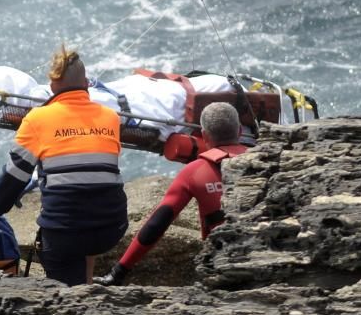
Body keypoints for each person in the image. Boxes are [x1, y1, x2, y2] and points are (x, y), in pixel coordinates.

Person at [0, 45, 128, 286]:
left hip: (66, 233)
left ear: (53, 85)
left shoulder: (38, 118)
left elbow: (14, 176)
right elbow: (92, 173)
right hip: (112, 226)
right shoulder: (110, 117)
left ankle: (73, 298)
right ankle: (87, 283)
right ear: (86, 82)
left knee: (63, 258)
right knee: (87, 210)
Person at [95, 101, 247, 286]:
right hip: (268, 254)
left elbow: (157, 223)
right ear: (239, 131)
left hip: (222, 264)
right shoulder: (267, 162)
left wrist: (118, 272)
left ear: (204, 136)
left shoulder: (195, 171)